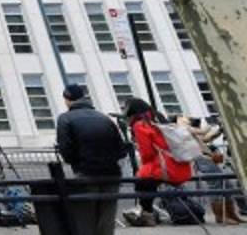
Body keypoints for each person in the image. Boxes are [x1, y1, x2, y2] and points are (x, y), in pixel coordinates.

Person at [54, 84, 125, 235]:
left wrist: (77, 163)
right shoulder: (104, 118)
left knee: (85, 216)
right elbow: (120, 149)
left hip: (86, 172)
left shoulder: (65, 119)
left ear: (67, 99)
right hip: (112, 173)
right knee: (107, 217)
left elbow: (66, 150)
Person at [123, 98, 193, 226]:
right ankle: (148, 212)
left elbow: (147, 153)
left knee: (142, 180)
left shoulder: (140, 124)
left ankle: (147, 214)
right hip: (180, 165)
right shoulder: (158, 118)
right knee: (147, 180)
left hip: (165, 167)